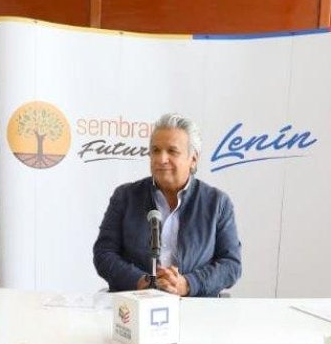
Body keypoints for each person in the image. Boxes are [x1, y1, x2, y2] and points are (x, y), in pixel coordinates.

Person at [93, 113, 242, 296]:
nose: (161, 159)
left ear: (193, 159)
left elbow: (231, 265)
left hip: (194, 304)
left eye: (172, 151)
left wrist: (188, 284)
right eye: (155, 150)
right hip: (136, 302)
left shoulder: (217, 203)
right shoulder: (125, 197)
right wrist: (141, 281)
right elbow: (104, 254)